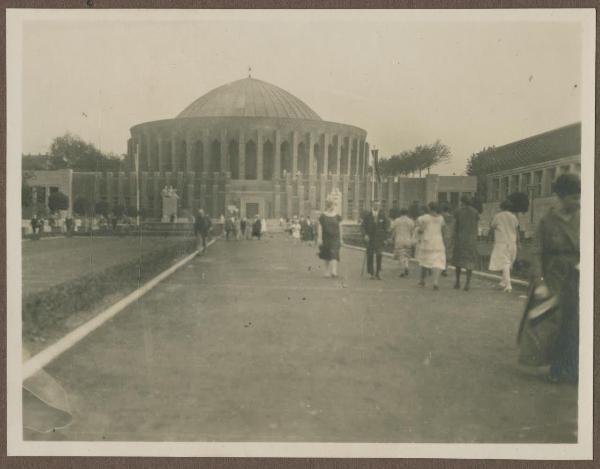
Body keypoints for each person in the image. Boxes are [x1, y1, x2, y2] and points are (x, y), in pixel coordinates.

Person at [518, 173, 580, 384]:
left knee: (575, 322)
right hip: (553, 276)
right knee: (553, 323)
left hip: (578, 275)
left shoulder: (584, 217)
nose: (578, 201)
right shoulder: (547, 220)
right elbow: (537, 251)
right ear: (560, 196)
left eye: (579, 197)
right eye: (573, 197)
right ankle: (555, 367)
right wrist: (540, 280)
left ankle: (572, 368)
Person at [488, 199, 520, 292]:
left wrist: (489, 239)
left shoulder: (498, 216)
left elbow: (492, 227)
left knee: (505, 263)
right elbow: (517, 230)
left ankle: (508, 285)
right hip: (512, 242)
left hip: (501, 242)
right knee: (508, 262)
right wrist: (519, 242)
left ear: (501, 207)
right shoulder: (513, 217)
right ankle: (503, 282)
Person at [416, 202, 446, 290]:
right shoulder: (441, 218)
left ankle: (422, 280)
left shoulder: (424, 218)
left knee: (424, 261)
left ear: (429, 208)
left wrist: (420, 231)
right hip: (438, 242)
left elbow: (420, 230)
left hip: (427, 242)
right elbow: (443, 230)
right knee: (438, 262)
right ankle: (435, 281)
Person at [452, 195, 480, 291]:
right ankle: (467, 283)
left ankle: (457, 282)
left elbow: (455, 226)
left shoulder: (458, 211)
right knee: (470, 261)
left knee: (458, 261)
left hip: (460, 238)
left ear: (461, 202)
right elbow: (476, 225)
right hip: (471, 239)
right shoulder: (475, 212)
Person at [361, 200, 390, 280]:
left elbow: (387, 227)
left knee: (379, 255)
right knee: (370, 255)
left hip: (379, 239)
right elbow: (362, 226)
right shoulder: (368, 215)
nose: (376, 206)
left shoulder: (383, 215)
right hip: (370, 239)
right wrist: (365, 235)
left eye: (378, 205)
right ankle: (371, 273)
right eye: (375, 204)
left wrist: (386, 238)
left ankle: (378, 272)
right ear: (372, 205)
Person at [317, 199, 342, 278]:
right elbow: (320, 227)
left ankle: (334, 271)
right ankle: (327, 271)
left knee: (334, 253)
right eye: (331, 205)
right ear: (328, 206)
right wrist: (320, 238)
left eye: (333, 205)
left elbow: (340, 227)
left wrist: (341, 239)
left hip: (335, 237)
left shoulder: (337, 216)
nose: (332, 207)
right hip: (326, 237)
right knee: (326, 254)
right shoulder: (323, 216)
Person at [390, 208, 415, 277]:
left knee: (400, 255)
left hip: (399, 240)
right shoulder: (411, 221)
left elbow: (393, 231)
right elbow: (413, 231)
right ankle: (406, 266)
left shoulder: (396, 221)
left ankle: (403, 269)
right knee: (406, 255)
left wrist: (391, 238)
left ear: (400, 213)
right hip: (408, 240)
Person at [440, 203, 455, 276]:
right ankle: (445, 269)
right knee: (447, 253)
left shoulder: (440, 217)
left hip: (441, 236)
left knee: (439, 252)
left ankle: (439, 267)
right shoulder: (452, 218)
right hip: (449, 236)